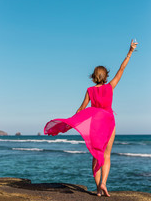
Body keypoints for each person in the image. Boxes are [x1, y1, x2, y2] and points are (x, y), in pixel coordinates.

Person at [44, 39, 138, 197]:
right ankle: (104, 183)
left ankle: (98, 191)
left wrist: (69, 123)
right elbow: (121, 69)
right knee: (107, 155)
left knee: (96, 156)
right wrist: (129, 52)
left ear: (93, 77)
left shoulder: (89, 90)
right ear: (106, 76)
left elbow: (81, 108)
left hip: (96, 125)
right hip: (109, 122)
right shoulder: (110, 86)